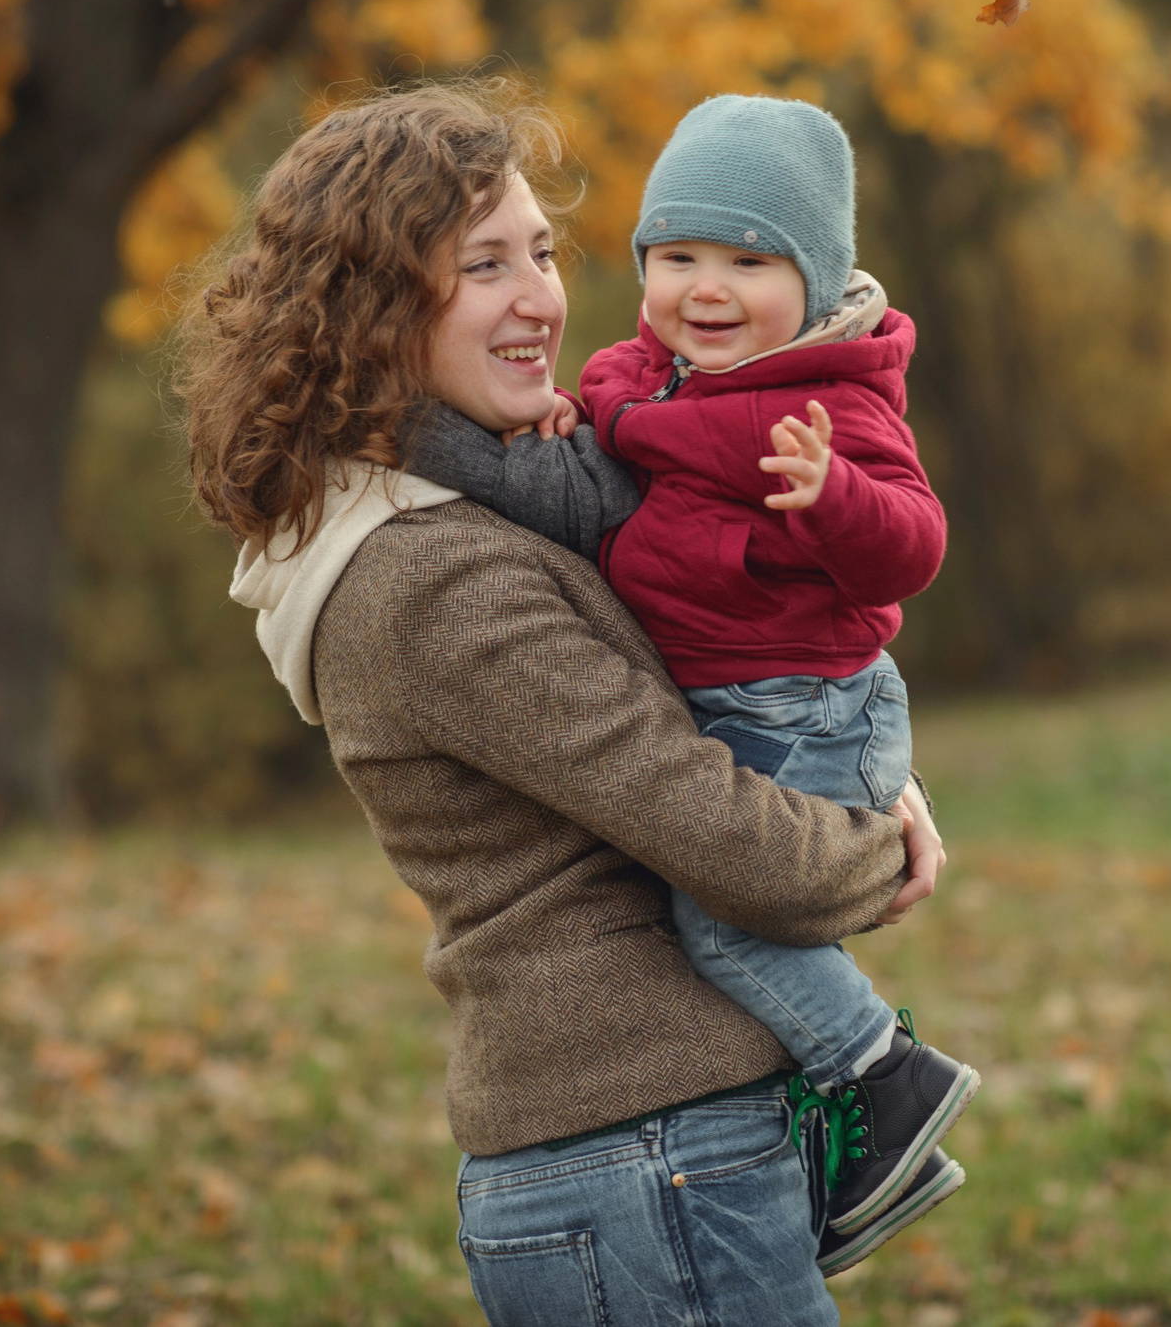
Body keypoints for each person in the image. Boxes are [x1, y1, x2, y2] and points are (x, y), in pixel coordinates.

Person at [177, 82, 955, 1324]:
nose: (541, 293)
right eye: (484, 263)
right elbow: (727, 842)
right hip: (636, 1160)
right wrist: (885, 847)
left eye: (540, 250)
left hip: (653, 1153)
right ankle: (890, 1075)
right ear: (377, 308)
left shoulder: (457, 511)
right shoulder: (433, 579)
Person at [406, 93, 979, 1254]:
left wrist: (835, 499)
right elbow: (604, 453)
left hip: (797, 693)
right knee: (732, 919)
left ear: (813, 283)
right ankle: (844, 1125)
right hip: (730, 691)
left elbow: (915, 542)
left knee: (724, 927)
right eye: (676, 257)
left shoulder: (829, 396)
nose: (705, 288)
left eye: (747, 261)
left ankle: (882, 1074)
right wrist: (577, 415)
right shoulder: (651, 371)